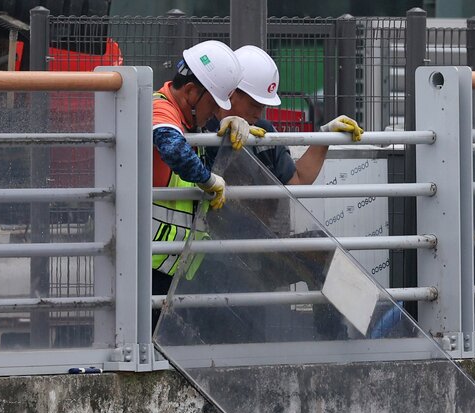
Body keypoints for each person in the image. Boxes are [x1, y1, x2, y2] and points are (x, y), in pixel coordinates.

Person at [151, 40, 243, 299]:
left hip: (167, 265)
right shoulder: (160, 108)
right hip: (148, 266)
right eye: (213, 105)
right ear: (191, 92)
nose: (215, 112)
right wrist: (209, 181)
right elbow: (173, 149)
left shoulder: (187, 121)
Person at [210, 45, 364, 187]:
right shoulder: (203, 131)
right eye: (254, 105)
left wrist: (325, 137)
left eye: (262, 107)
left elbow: (297, 181)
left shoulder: (263, 131)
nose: (258, 114)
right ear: (231, 93)